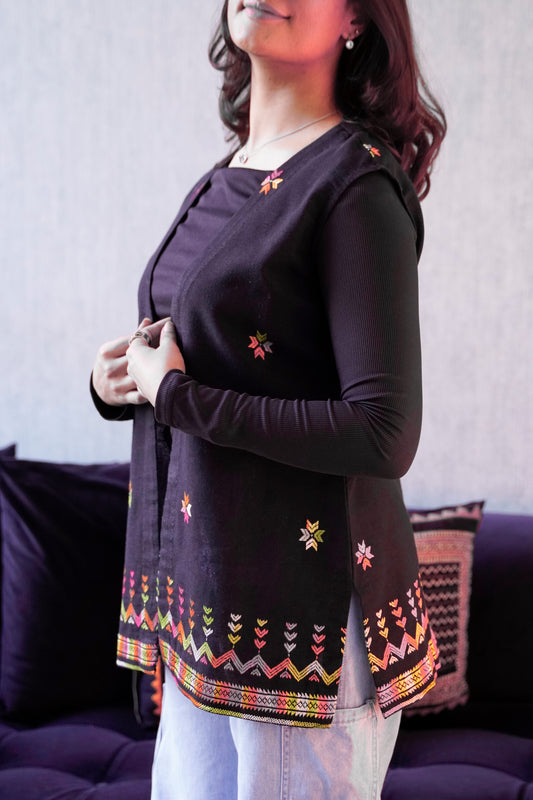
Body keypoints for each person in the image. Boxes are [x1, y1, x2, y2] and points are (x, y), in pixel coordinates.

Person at [91, 1, 446, 797]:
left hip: (301, 627)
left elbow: (383, 432)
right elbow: (214, 359)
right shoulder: (228, 174)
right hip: (209, 607)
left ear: (355, 19)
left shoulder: (354, 183)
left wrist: (178, 396)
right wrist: (120, 381)